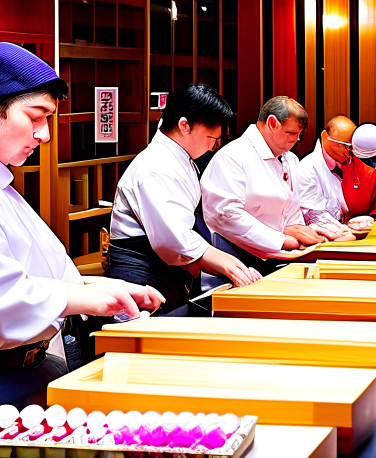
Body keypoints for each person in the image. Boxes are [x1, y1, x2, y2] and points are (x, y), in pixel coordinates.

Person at [0, 43, 164, 445]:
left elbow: (46, 275)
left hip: (23, 369)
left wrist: (107, 287)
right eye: (36, 117)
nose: (45, 134)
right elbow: (4, 298)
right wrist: (95, 300)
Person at [108, 84, 261, 316]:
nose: (213, 146)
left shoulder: (178, 158)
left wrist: (228, 265)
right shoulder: (156, 165)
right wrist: (228, 264)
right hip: (142, 277)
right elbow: (174, 240)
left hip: (165, 276)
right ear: (184, 125)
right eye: (211, 138)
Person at [201, 96, 325, 273]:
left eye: (299, 133)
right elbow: (226, 215)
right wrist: (281, 239)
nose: (297, 139)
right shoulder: (233, 156)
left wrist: (300, 234)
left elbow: (292, 208)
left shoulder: (291, 159)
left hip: (282, 254)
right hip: (236, 256)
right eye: (291, 133)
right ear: (273, 123)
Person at [295, 117, 376, 239]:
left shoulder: (365, 171)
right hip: (325, 239)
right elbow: (312, 214)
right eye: (346, 146)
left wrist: (371, 220)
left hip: (361, 238)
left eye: (352, 147)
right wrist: (344, 230)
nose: (349, 151)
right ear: (325, 137)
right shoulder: (307, 169)